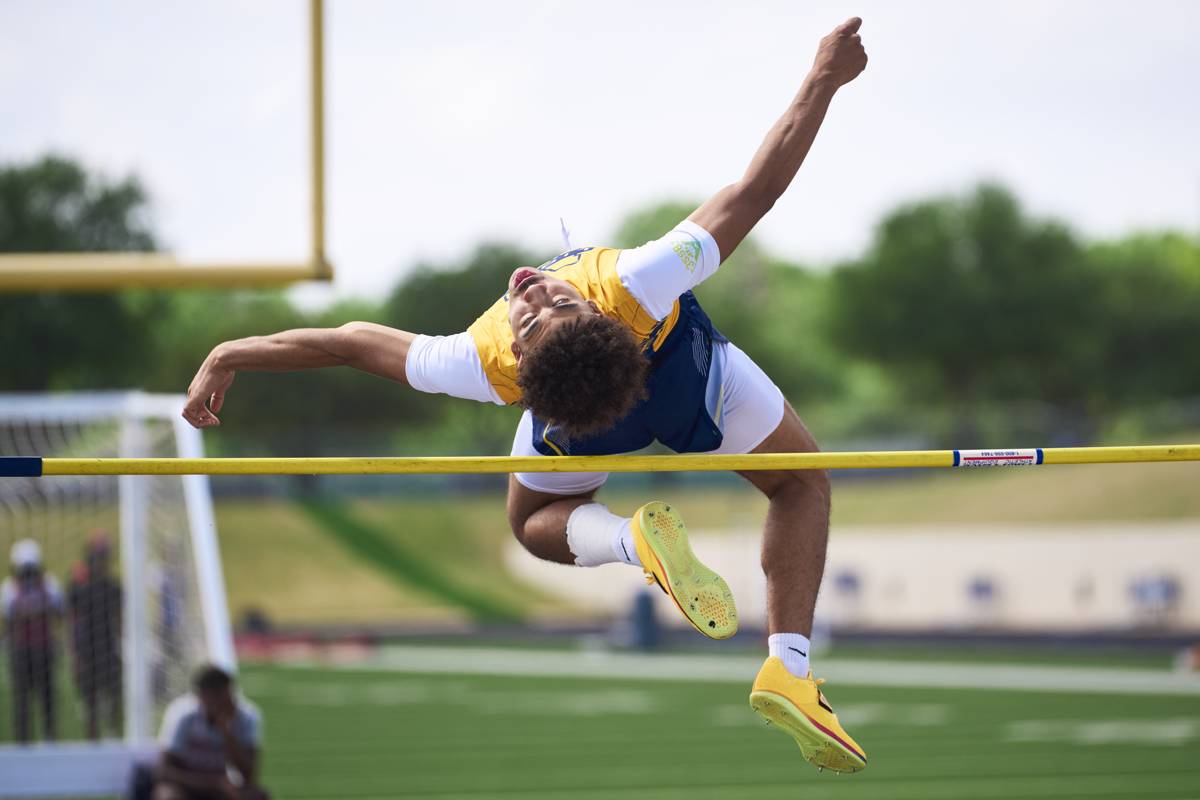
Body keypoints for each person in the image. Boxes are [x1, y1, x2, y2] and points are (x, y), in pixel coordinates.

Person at [183, 18, 869, 773]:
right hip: (693, 378)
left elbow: (346, 344)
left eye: (543, 312)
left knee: (534, 519)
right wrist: (823, 79)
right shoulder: (639, 282)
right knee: (802, 484)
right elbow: (755, 192)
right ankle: (789, 670)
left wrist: (229, 352)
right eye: (544, 311)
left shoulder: (477, 362)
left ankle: (630, 541)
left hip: (596, 417)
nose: (533, 296)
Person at [154, 665, 269, 800]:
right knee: (169, 795)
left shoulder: (247, 717)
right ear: (200, 697)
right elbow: (164, 771)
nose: (218, 704)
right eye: (212, 697)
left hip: (222, 786)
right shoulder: (183, 715)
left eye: (222, 697)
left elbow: (248, 775)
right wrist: (214, 783)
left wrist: (226, 733)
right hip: (186, 784)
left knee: (255, 796)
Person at [2, 538, 63, 743]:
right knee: (22, 700)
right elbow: (9, 618)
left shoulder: (49, 585)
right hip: (21, 651)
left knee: (47, 698)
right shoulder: (10, 588)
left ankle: (49, 739)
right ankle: (23, 741)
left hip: (43, 649)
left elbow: (58, 612)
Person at [67, 532, 122, 740]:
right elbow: (71, 621)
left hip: (108, 648)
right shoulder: (77, 586)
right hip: (86, 650)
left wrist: (120, 648)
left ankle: (113, 737)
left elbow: (119, 621)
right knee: (90, 704)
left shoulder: (113, 586)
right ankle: (93, 742)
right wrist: (74, 654)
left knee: (113, 698)